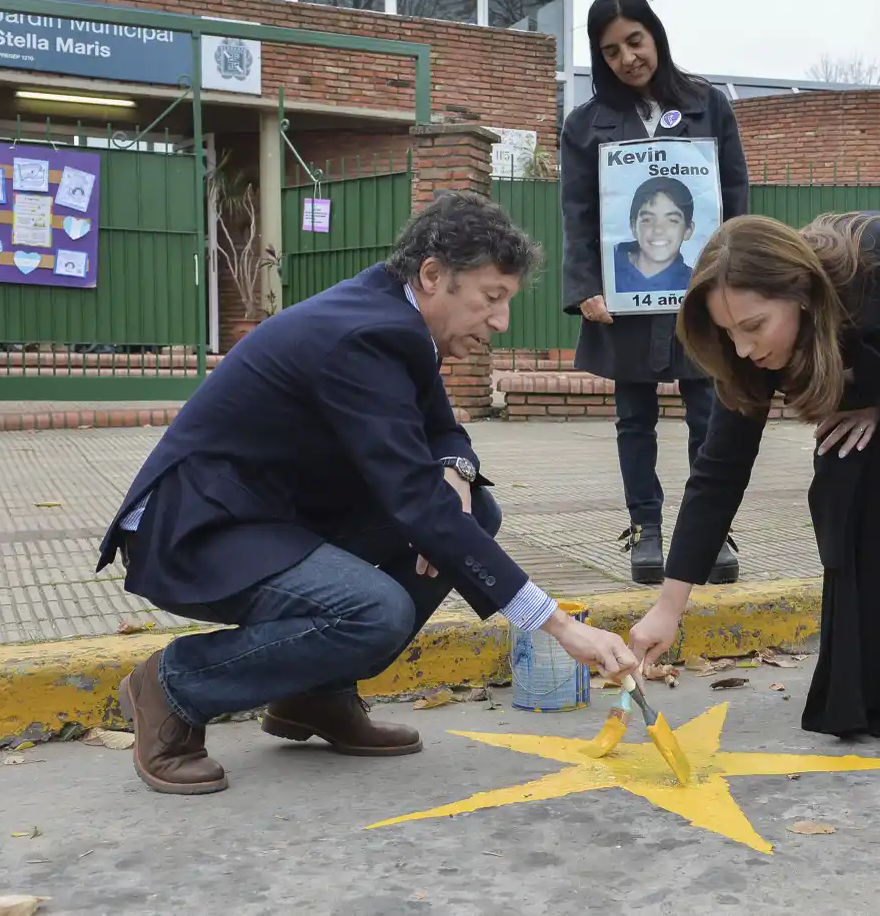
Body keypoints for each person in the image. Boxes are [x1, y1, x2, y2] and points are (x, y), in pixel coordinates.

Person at [97, 191, 640, 796]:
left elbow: (443, 430)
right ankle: (173, 686)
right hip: (199, 527)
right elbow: (414, 500)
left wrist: (455, 474)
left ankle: (315, 695)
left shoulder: (395, 316)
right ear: (432, 275)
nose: (500, 322)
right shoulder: (364, 336)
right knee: (374, 611)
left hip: (273, 511)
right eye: (491, 298)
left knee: (474, 513)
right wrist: (560, 626)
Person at [628, 211, 880, 749]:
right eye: (728, 332)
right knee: (842, 472)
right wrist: (668, 608)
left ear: (801, 296)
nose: (743, 348)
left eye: (754, 326)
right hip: (876, 350)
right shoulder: (747, 355)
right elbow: (719, 471)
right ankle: (854, 693)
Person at [561, 0, 749, 586]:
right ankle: (645, 528)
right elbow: (578, 214)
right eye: (610, 50)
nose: (627, 58)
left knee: (708, 413)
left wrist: (733, 278)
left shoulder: (708, 104)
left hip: (699, 294)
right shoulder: (584, 125)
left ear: (656, 36)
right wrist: (586, 286)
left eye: (635, 41)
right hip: (624, 296)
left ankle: (709, 530)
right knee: (634, 417)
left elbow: (736, 197)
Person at [613, 177, 697, 294]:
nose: (658, 230)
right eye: (647, 220)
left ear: (688, 230)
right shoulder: (606, 268)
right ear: (633, 227)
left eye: (672, 220)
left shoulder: (696, 284)